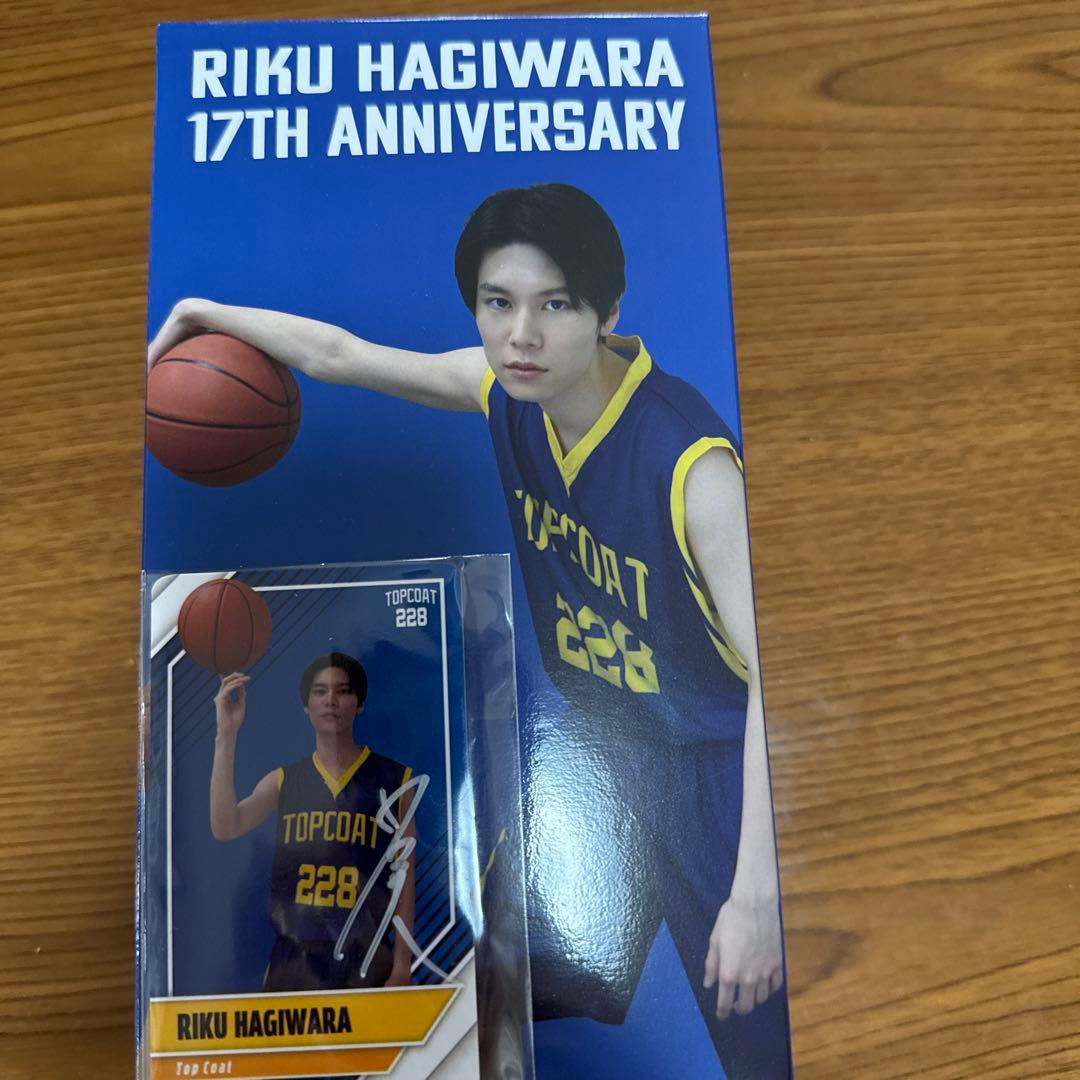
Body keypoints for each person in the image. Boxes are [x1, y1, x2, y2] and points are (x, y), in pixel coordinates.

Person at [153, 184, 788, 1075]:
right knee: (491, 983)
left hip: (721, 773)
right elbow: (342, 355)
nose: (521, 334)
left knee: (764, 1036)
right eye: (498, 303)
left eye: (554, 305)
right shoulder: (505, 393)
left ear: (609, 310)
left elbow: (777, 679)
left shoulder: (692, 466)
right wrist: (200, 312)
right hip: (610, 756)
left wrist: (757, 895)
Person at [209, 651, 416, 992]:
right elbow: (225, 826)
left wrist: (402, 964)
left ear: (359, 703)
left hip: (366, 956)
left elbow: (405, 881)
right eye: (320, 691)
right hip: (295, 959)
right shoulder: (284, 781)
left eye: (343, 691)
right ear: (306, 706)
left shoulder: (395, 780)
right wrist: (225, 735)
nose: (331, 700)